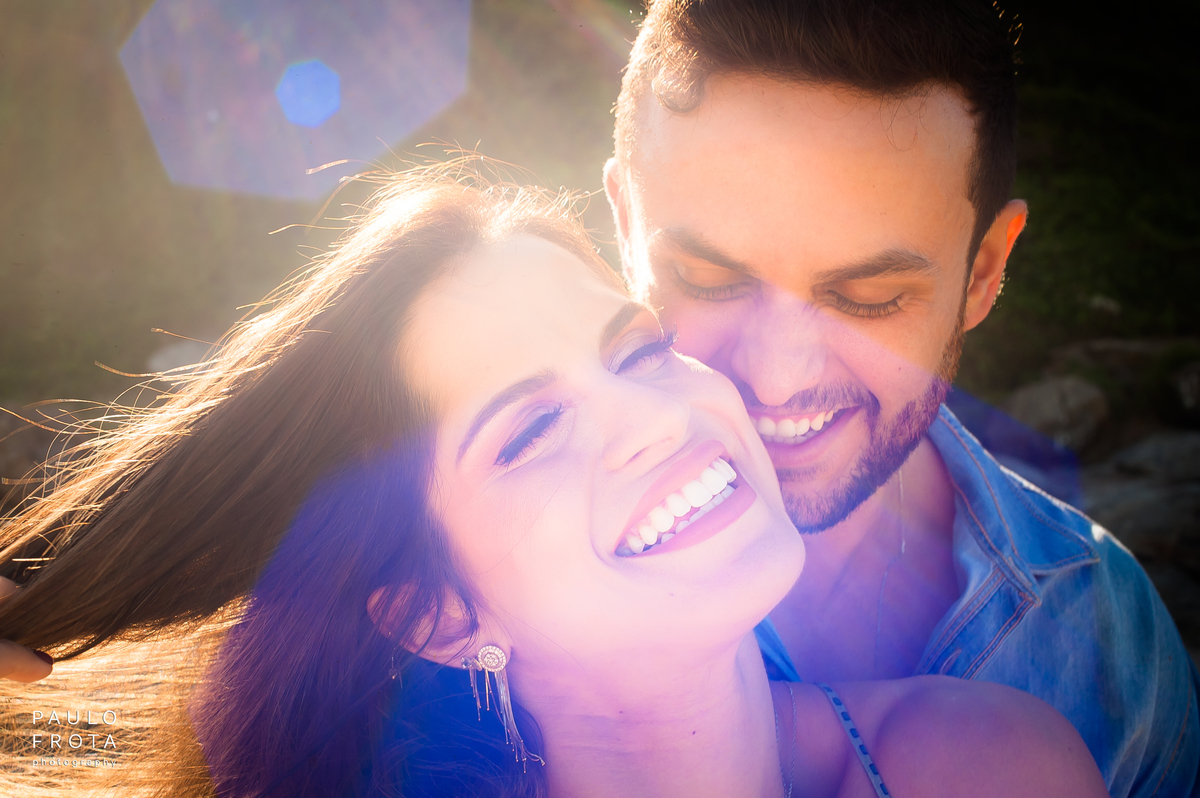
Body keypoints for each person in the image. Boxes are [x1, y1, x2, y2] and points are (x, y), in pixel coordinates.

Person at [0, 169, 1106, 796]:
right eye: (529, 430)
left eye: (634, 352)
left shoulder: (987, 764)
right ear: (435, 611)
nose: (655, 416)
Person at [601, 1, 1198, 796]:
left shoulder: (1110, 640)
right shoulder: (485, 607)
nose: (777, 377)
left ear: (983, 273)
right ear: (623, 223)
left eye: (871, 296)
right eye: (710, 280)